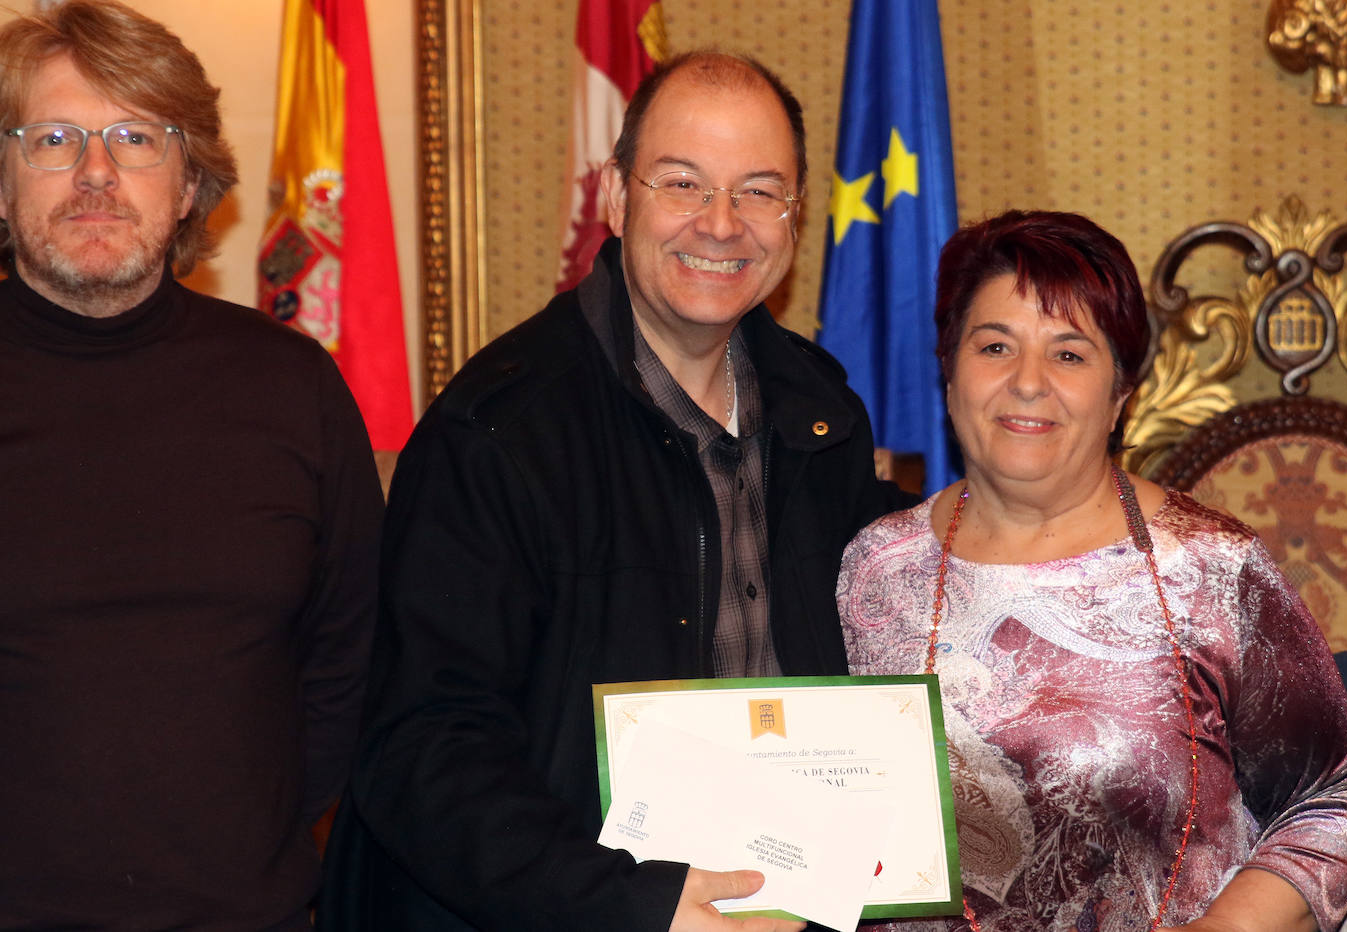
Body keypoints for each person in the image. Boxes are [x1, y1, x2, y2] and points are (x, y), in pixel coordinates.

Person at [319, 51, 910, 932]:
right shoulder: (497, 429)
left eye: (757, 191)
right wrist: (636, 904)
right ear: (616, 195)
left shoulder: (825, 416)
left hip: (792, 903)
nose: (720, 225)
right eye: (682, 183)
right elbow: (422, 750)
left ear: (794, 220)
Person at [836, 209, 1347, 932]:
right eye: (995, 345)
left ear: (1121, 394)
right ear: (949, 369)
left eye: (1069, 354)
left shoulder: (1209, 566)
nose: (1028, 383)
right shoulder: (873, 567)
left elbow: (1344, 790)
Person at [0, 2, 383, 927]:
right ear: (2, 184)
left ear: (188, 183)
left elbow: (352, 658)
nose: (96, 172)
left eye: (136, 138)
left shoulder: (294, 385)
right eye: (54, 137)